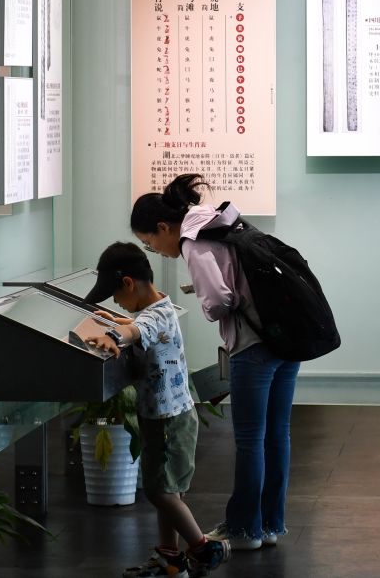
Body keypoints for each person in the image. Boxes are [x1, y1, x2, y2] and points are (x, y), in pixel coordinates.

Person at [129, 174, 300, 551]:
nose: (156, 251)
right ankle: (270, 524)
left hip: (252, 346)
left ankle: (244, 530)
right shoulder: (219, 220)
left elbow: (220, 301)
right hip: (285, 337)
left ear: (163, 227)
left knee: (250, 440)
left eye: (150, 243)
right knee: (277, 435)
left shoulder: (191, 239)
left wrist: (207, 300)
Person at [83, 242, 230, 578]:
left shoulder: (152, 318)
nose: (115, 302)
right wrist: (122, 321)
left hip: (167, 421)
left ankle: (203, 548)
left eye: (115, 296)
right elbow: (141, 325)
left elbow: (137, 330)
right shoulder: (162, 306)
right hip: (168, 416)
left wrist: (116, 335)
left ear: (128, 283)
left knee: (159, 491)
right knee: (169, 489)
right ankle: (170, 558)